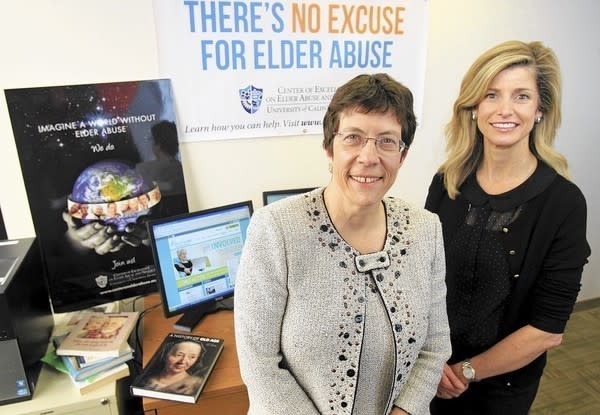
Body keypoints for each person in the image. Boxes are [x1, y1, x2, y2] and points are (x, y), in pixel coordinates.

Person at [235, 73, 451, 415]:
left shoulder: (425, 230)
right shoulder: (276, 229)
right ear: (329, 147)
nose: (369, 157)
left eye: (386, 141)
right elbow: (259, 364)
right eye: (353, 138)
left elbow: (435, 345)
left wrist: (405, 411)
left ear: (402, 155)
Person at [425, 40, 591, 415]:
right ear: (474, 108)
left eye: (521, 96)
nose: (504, 110)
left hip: (501, 388)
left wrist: (464, 372)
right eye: (491, 95)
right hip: (430, 372)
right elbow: (426, 280)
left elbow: (548, 328)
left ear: (539, 110)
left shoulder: (563, 203)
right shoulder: (446, 183)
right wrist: (430, 363)